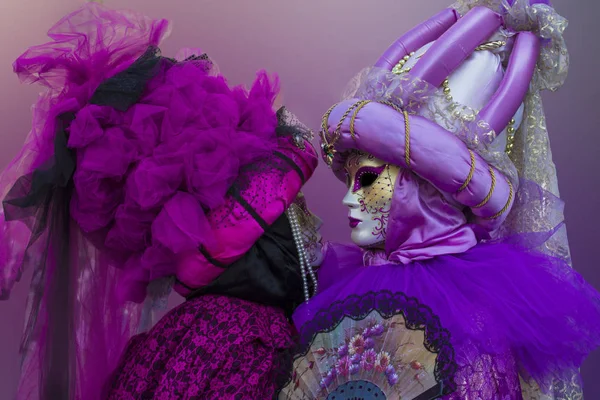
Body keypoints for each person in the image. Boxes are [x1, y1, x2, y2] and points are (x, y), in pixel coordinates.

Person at [0, 4, 323, 399]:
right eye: (297, 210)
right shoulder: (259, 343)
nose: (316, 225)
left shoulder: (163, 339)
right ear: (269, 242)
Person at [281, 0, 600, 398]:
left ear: (427, 189)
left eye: (367, 179)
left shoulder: (470, 318)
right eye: (350, 178)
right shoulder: (351, 281)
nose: (348, 200)